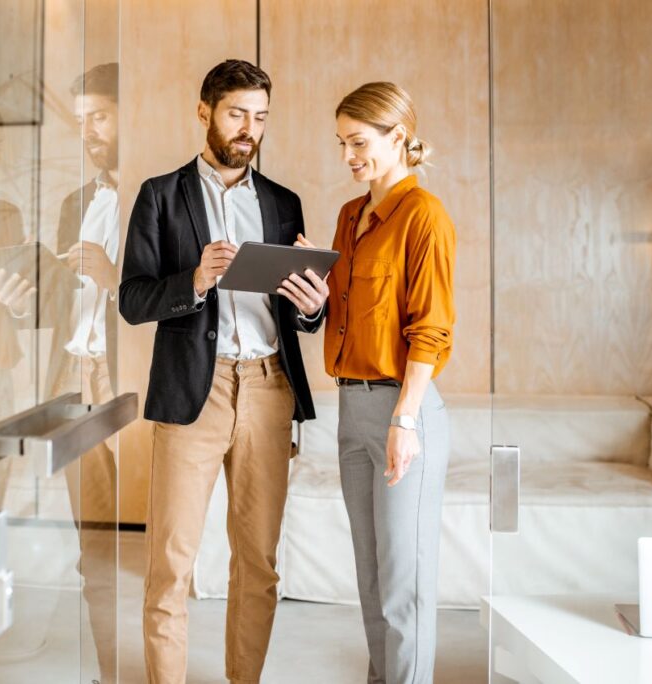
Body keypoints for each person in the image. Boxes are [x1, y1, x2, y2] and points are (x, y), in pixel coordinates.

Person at [120, 59, 329, 684]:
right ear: (205, 111)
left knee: (260, 562)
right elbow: (132, 300)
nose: (249, 129)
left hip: (269, 389)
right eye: (238, 114)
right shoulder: (160, 195)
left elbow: (301, 312)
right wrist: (194, 280)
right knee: (170, 563)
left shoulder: (283, 202)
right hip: (193, 390)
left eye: (260, 117)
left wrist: (314, 308)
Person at [312, 81, 455, 684]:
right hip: (350, 410)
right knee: (371, 581)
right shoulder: (350, 216)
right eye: (343, 143)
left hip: (404, 410)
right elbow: (343, 316)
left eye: (360, 141)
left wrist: (405, 421)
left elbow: (432, 330)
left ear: (399, 137)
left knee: (403, 585)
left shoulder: (424, 216)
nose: (349, 155)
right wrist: (313, 292)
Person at [0, 62, 120, 683]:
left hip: (133, 386)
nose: (88, 131)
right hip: (74, 379)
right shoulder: (76, 203)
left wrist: (114, 277)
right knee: (93, 549)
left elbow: (189, 303)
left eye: (99, 115)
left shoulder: (161, 194)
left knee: (147, 548)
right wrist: (25, 302)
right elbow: (67, 299)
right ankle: (107, 670)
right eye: (81, 120)